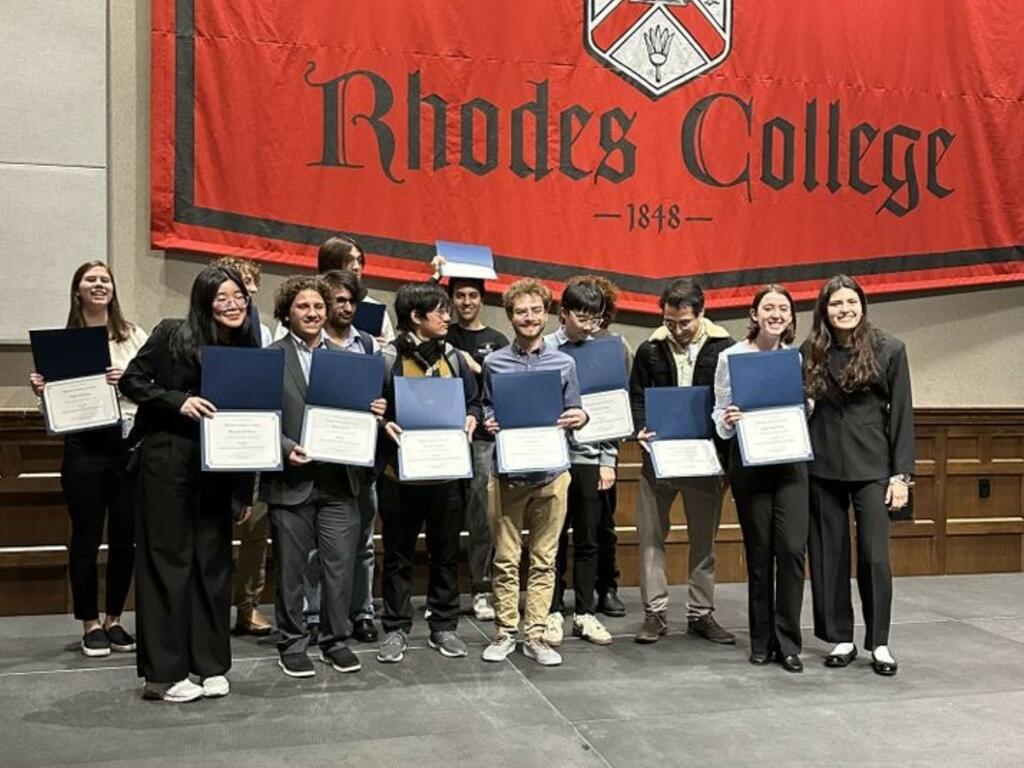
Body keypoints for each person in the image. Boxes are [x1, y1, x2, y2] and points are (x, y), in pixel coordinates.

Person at [120, 265, 256, 703]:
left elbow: (254, 420)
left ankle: (210, 664)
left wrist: (243, 489)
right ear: (204, 301)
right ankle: (164, 675)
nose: (233, 304)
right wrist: (179, 401)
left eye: (239, 296)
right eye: (222, 297)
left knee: (213, 566)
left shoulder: (248, 348)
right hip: (168, 460)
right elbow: (132, 380)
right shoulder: (171, 333)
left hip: (220, 467)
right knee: (168, 563)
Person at [261, 276, 386, 677]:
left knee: (339, 568)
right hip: (290, 481)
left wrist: (376, 412)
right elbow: (260, 417)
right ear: (287, 312)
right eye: (303, 307)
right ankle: (293, 642)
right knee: (291, 571)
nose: (313, 313)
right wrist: (284, 448)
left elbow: (361, 414)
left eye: (318, 306)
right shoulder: (270, 357)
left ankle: (335, 640)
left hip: (339, 481)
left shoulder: (349, 358)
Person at [29, 261, 147, 658]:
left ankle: (115, 618)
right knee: (85, 538)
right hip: (83, 447)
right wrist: (43, 390)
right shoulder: (61, 342)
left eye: (105, 280)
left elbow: (152, 387)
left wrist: (125, 380)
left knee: (125, 538)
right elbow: (58, 408)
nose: (99, 285)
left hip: (127, 444)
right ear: (77, 290)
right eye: (90, 280)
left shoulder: (134, 336)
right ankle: (90, 622)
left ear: (113, 289)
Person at [802, 274, 914, 676]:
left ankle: (879, 642)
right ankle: (841, 637)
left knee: (874, 555)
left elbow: (902, 414)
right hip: (823, 464)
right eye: (835, 304)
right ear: (824, 310)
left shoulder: (890, 349)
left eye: (850, 302)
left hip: (873, 467)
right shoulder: (809, 350)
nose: (844, 309)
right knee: (829, 554)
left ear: (862, 306)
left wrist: (901, 476)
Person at [480, 279, 588, 667]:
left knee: (545, 558)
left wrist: (581, 416)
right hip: (508, 473)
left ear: (546, 313)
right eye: (521, 311)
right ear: (510, 316)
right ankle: (505, 631)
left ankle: (536, 635)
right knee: (506, 558)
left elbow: (575, 411)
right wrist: (489, 421)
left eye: (536, 310)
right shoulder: (494, 363)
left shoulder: (564, 362)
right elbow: (487, 408)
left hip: (552, 473)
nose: (529, 318)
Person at [376, 281, 481, 663]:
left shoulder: (453, 356)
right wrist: (382, 423)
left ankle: (444, 627)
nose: (448, 316)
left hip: (447, 476)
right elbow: (374, 410)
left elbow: (475, 402)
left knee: (446, 554)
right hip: (398, 477)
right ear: (416, 317)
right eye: (439, 311)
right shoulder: (387, 358)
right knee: (399, 556)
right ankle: (396, 629)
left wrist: (472, 418)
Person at [629, 278, 736, 645]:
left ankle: (700, 614)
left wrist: (724, 457)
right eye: (670, 322)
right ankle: (654, 614)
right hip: (658, 458)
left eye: (684, 323)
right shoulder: (650, 349)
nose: (677, 330)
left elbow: (730, 402)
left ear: (701, 314)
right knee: (650, 536)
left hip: (704, 459)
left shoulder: (725, 349)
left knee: (703, 540)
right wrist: (640, 429)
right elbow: (637, 397)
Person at [712, 284, 809, 673]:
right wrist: (729, 420)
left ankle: (788, 642)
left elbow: (810, 404)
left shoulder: (798, 358)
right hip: (750, 464)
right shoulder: (730, 357)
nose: (776, 314)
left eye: (782, 308)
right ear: (754, 315)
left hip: (791, 464)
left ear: (790, 317)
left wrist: (805, 406)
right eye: (768, 307)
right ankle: (760, 640)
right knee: (758, 554)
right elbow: (719, 415)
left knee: (790, 551)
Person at [428, 259, 510, 622]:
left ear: (482, 299)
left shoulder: (497, 340)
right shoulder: (441, 335)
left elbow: (502, 390)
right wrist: (431, 278)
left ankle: (481, 588)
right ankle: (439, 595)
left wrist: (478, 367)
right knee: (442, 516)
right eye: (458, 295)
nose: (465, 302)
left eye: (472, 295)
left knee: (481, 516)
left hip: (480, 441)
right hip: (441, 437)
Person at [543, 280, 620, 648]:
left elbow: (612, 409)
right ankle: (552, 610)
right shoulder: (545, 349)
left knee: (589, 537)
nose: (589, 325)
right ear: (563, 314)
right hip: (552, 458)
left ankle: (585, 612)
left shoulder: (606, 349)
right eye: (582, 317)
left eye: (595, 318)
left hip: (590, 457)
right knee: (553, 538)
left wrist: (609, 460)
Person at [316, 269, 381, 644]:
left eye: (350, 301)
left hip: (360, 462)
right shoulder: (310, 344)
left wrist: (380, 406)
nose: (345, 307)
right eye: (338, 300)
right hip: (320, 460)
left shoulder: (370, 346)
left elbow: (381, 399)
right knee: (316, 548)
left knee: (363, 543)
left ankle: (362, 613)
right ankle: (315, 614)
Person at [210, 257, 273, 637]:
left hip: (254, 441)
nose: (244, 288)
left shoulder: (264, 333)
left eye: (249, 282)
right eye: (234, 283)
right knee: (213, 530)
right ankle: (211, 607)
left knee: (255, 530)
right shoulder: (197, 331)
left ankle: (247, 607)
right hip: (216, 441)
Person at [589, 275, 631, 617]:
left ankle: (608, 587)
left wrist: (610, 456)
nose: (591, 317)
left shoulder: (618, 346)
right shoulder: (556, 345)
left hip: (604, 449)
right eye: (584, 310)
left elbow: (621, 404)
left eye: (597, 310)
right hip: (564, 451)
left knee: (604, 525)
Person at [317, 235, 395, 344]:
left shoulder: (373, 310)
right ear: (330, 264)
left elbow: (391, 351)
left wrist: (379, 348)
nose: (356, 267)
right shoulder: (311, 302)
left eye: (359, 260)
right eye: (349, 260)